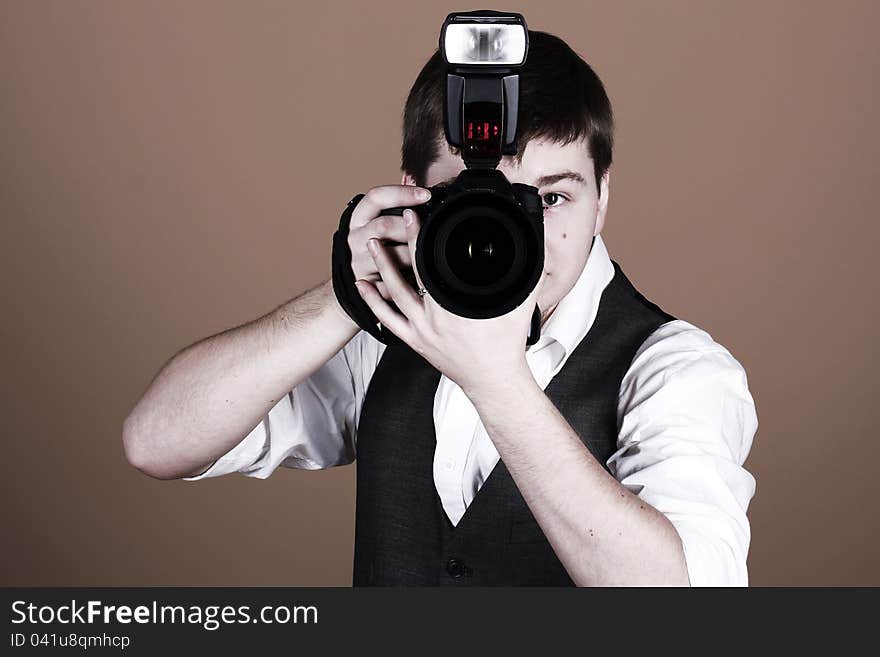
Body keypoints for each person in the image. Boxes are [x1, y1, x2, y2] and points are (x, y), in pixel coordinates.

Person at [122, 31, 757, 587]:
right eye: (479, 199)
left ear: (602, 197)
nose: (520, 236)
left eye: (551, 200)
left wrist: (497, 382)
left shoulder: (675, 369)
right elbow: (157, 443)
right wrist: (350, 292)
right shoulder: (389, 331)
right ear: (412, 193)